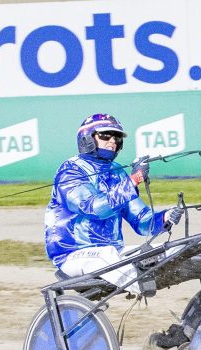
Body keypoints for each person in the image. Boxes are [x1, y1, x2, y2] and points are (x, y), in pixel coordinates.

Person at [44, 113, 184, 297]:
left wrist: (165, 217)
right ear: (87, 138)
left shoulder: (117, 172)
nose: (112, 141)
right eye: (105, 136)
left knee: (175, 249)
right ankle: (143, 285)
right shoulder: (70, 171)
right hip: (74, 255)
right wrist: (133, 180)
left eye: (117, 138)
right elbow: (94, 208)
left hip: (113, 255)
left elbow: (141, 221)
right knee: (106, 254)